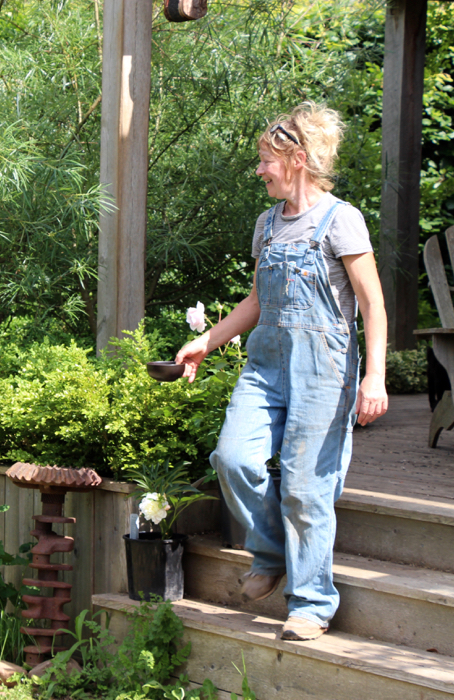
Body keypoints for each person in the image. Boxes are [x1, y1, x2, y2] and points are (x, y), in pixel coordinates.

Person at [175, 102, 389, 642]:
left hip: (324, 369)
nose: (259, 170)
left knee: (305, 487)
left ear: (297, 158)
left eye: (265, 160)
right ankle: (269, 550)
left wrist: (376, 376)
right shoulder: (267, 225)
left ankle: (312, 603)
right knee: (232, 457)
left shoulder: (342, 219)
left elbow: (374, 304)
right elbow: (256, 303)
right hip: (267, 365)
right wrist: (208, 339)